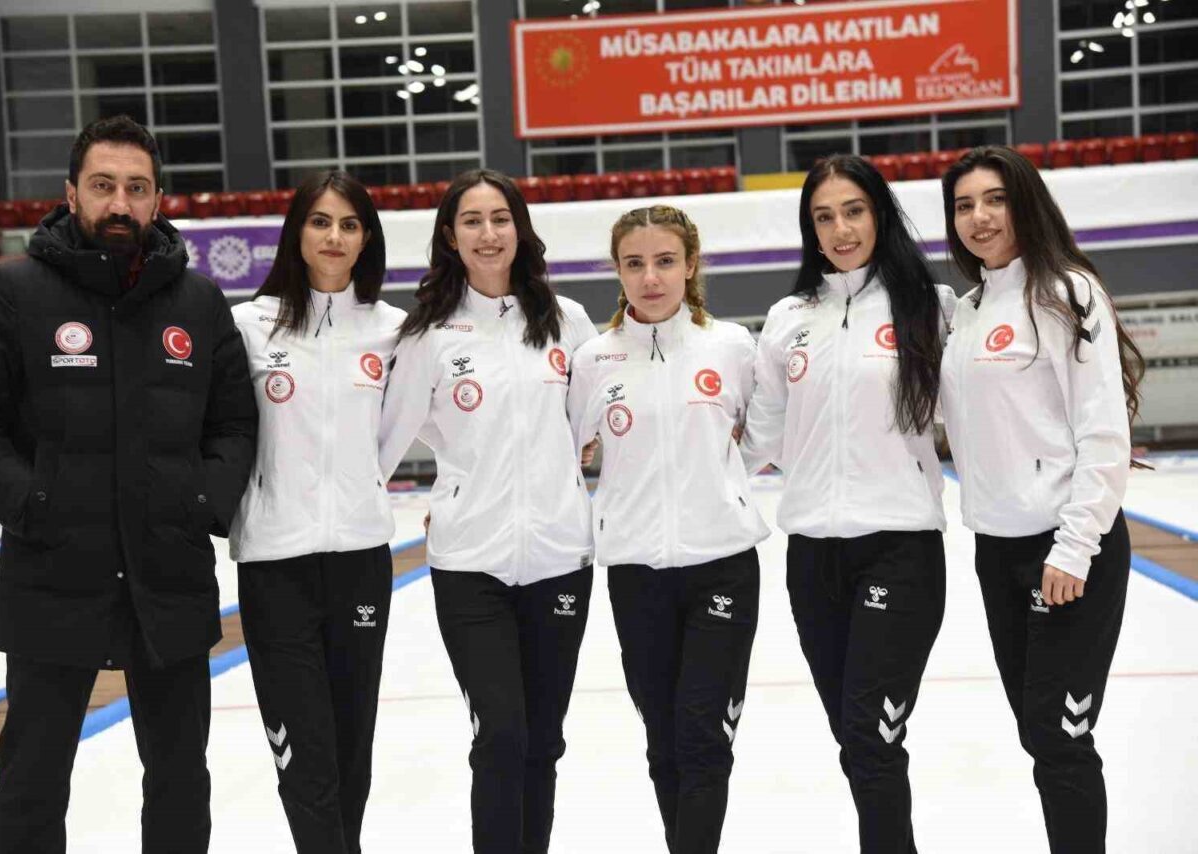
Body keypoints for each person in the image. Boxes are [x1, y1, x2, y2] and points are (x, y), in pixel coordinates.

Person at [0, 115, 257, 852]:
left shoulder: (199, 304)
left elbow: (235, 423)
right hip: (52, 578)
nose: (120, 203)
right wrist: (33, 503)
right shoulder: (13, 293)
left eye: (136, 188)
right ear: (71, 193)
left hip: (168, 579)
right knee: (33, 779)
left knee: (179, 778)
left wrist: (201, 501)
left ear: (158, 200)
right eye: (104, 185)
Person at [739, 154, 956, 853]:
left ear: (880, 214)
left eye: (854, 211)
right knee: (855, 737)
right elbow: (758, 435)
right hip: (812, 556)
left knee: (871, 733)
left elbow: (989, 403)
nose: (840, 229)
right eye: (824, 217)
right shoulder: (788, 318)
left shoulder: (932, 307)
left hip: (900, 548)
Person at [377, 169, 597, 854]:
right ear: (450, 236)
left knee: (543, 741)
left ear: (520, 230)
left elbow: (593, 429)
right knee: (501, 733)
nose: (488, 233)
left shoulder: (568, 321)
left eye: (500, 218)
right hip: (470, 564)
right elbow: (382, 445)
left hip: (560, 558)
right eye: (471, 221)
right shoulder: (427, 336)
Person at [939, 146, 1144, 854]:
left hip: (1067, 551)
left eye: (995, 199)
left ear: (1025, 202)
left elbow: (1103, 432)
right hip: (997, 552)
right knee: (1039, 733)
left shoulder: (1067, 292)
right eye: (964, 205)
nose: (979, 217)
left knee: (1060, 738)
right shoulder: (967, 313)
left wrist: (1075, 547)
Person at [566, 205, 768, 854]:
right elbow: (561, 450)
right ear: (617, 271)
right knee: (663, 739)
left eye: (664, 261)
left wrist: (721, 482)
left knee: (703, 735)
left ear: (690, 265)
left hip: (722, 564)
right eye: (635, 263)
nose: (650, 277)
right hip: (635, 572)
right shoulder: (594, 360)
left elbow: (765, 431)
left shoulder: (731, 346)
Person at [227, 170, 405, 853]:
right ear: (296, 232)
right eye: (321, 222)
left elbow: (432, 420)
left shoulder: (393, 330)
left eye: (350, 225)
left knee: (352, 748)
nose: (335, 237)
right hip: (276, 564)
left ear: (367, 239)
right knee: (304, 753)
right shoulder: (248, 325)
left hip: (361, 560)